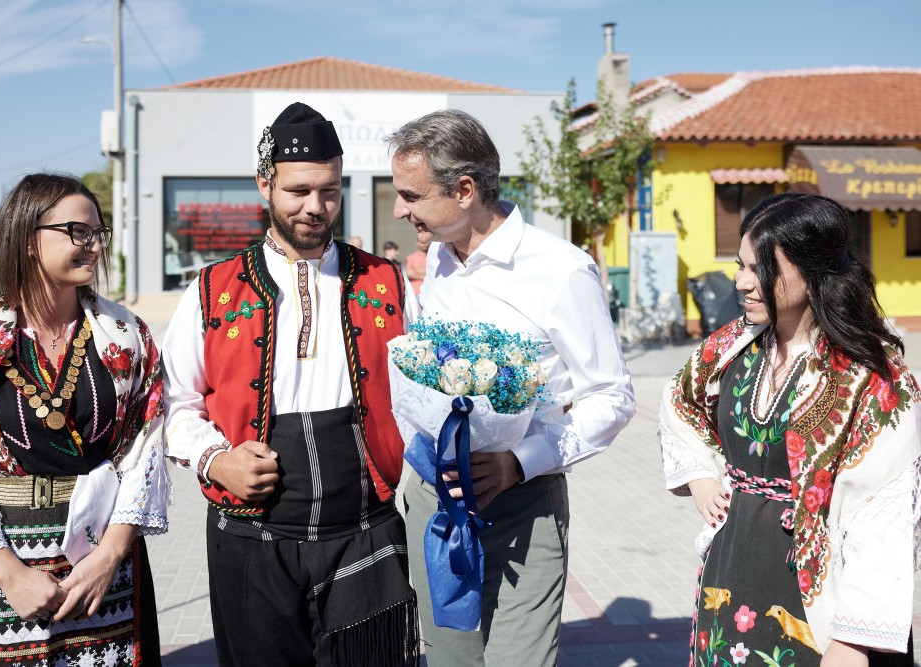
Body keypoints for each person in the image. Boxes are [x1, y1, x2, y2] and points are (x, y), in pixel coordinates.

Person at [162, 102, 421, 667]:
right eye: (298, 191)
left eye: (329, 191)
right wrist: (214, 459)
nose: (315, 207)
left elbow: (424, 397)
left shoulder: (388, 283)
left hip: (365, 527)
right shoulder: (211, 291)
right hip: (250, 536)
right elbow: (172, 404)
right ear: (265, 185)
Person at [388, 109, 635, 666]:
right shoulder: (439, 262)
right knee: (449, 661)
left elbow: (613, 397)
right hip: (437, 502)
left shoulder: (561, 270)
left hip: (523, 505)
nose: (401, 209)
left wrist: (518, 462)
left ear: (464, 190)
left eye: (411, 195)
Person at [659, 193, 920, 666]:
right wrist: (698, 474)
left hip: (819, 600)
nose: (741, 282)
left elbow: (883, 513)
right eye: (739, 265)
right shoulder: (730, 346)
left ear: (811, 268)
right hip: (731, 571)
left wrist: (853, 639)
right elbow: (680, 402)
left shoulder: (875, 378)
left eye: (759, 268)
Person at [0, 173, 170, 665]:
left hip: (103, 568)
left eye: (98, 233)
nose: (94, 246)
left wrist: (109, 557)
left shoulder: (128, 335)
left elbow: (148, 446)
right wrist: (10, 575)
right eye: (78, 232)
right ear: (28, 239)